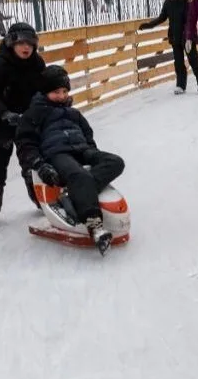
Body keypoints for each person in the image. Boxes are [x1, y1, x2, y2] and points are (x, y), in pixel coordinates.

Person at [16, 66, 126, 250]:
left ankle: (75, 192)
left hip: (81, 150)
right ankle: (94, 225)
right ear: (44, 92)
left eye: (65, 91)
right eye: (56, 92)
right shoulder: (34, 114)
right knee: (80, 176)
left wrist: (91, 152)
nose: (61, 96)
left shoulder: (74, 113)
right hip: (57, 154)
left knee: (115, 162)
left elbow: (87, 133)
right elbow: (25, 144)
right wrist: (40, 165)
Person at [0, 22, 46, 226]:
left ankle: (39, 198)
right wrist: (4, 113)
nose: (26, 48)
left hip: (26, 123)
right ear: (11, 44)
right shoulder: (1, 65)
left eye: (30, 43)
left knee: (31, 162)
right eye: (21, 43)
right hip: (2, 124)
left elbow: (44, 87)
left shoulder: (37, 64)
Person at [139, 0, 198, 95]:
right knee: (178, 62)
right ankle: (180, 85)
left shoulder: (186, 1)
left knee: (193, 60)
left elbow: (190, 20)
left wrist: (188, 37)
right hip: (175, 37)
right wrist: (148, 25)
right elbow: (162, 18)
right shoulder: (167, 3)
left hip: (187, 36)